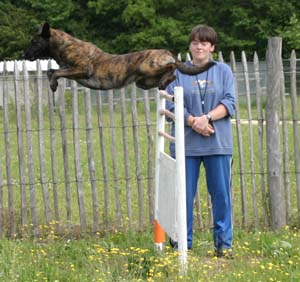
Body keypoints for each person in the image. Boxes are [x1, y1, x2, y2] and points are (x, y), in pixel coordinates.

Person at [165, 24, 235, 258]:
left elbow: (230, 102)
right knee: (182, 196)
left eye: (204, 43)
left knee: (221, 196)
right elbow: (170, 103)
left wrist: (206, 118)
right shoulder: (176, 72)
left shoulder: (223, 71)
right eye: (195, 42)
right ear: (189, 46)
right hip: (186, 144)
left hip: (218, 144)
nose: (199, 46)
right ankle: (181, 245)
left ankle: (223, 246)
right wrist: (193, 122)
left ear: (212, 47)